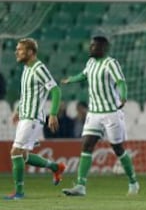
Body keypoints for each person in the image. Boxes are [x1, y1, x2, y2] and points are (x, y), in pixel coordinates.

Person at [61, 36, 139, 196]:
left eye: (94, 46)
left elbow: (121, 81)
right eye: (90, 45)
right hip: (94, 113)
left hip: (111, 112)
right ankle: (81, 186)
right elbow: (84, 75)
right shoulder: (90, 63)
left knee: (117, 148)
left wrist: (123, 96)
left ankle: (133, 181)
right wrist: (71, 79)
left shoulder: (111, 63)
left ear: (103, 48)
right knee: (87, 145)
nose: (90, 48)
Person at [4, 38, 66, 200]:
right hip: (25, 115)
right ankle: (55, 167)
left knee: (15, 152)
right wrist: (18, 109)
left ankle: (19, 192)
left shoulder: (39, 68)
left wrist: (52, 113)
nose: (16, 52)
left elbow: (56, 90)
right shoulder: (26, 68)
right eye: (16, 49)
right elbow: (27, 94)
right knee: (23, 155)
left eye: (20, 49)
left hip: (32, 117)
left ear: (30, 52)